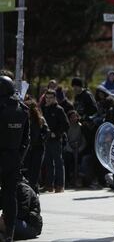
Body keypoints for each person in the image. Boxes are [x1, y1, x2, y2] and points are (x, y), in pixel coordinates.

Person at [0, 76, 30, 241]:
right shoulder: (23, 109)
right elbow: (27, 139)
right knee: (10, 196)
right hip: (14, 157)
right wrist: (19, 158)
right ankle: (9, 233)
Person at [41, 89, 70, 193]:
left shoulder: (59, 109)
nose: (48, 100)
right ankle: (49, 185)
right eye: (46, 97)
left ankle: (60, 185)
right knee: (48, 162)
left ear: (54, 98)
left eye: (50, 98)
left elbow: (66, 125)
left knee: (58, 162)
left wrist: (56, 133)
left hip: (56, 140)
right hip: (46, 139)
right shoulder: (43, 108)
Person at [23, 98, 49, 194]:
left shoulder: (40, 119)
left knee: (35, 169)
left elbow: (47, 132)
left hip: (38, 148)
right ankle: (31, 189)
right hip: (28, 148)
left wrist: (40, 140)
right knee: (27, 169)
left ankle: (33, 189)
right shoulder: (24, 119)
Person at [63, 110, 87, 188]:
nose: (74, 118)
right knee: (67, 159)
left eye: (75, 116)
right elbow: (65, 140)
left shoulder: (80, 127)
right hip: (69, 148)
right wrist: (70, 149)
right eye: (72, 117)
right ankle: (68, 180)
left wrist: (79, 149)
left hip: (79, 149)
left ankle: (78, 179)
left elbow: (83, 140)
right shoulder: (67, 127)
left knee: (81, 160)